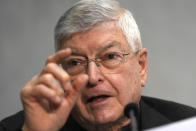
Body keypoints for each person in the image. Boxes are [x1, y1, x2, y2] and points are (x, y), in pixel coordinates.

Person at [1, 0, 196, 131]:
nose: (93, 77)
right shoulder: (24, 127)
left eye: (110, 56)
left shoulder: (186, 124)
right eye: (75, 62)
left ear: (141, 66)